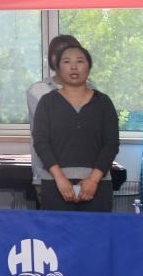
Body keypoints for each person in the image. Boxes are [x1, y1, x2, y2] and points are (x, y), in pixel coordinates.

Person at [32, 45, 119, 212]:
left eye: (80, 61)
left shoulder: (103, 103)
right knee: (56, 230)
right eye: (66, 62)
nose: (73, 67)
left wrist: (93, 180)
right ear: (58, 69)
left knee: (95, 229)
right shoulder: (47, 102)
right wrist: (59, 178)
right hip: (55, 184)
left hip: (97, 186)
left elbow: (111, 144)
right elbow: (41, 143)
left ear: (89, 67)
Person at [26, 35, 84, 197]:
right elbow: (46, 133)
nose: (63, 56)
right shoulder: (38, 90)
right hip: (48, 173)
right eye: (57, 52)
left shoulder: (93, 91)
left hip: (85, 174)